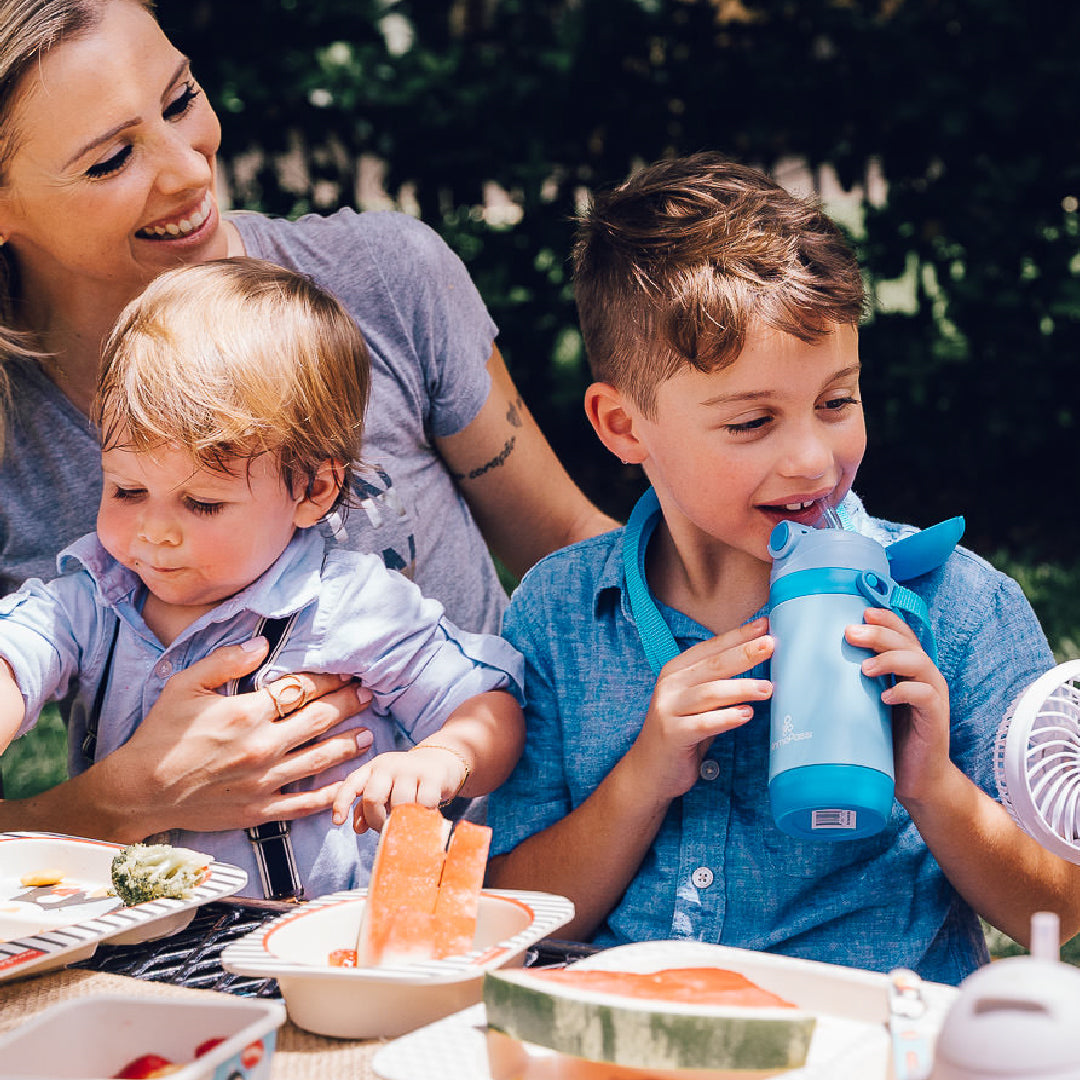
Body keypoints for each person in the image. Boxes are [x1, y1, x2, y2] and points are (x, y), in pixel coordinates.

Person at [0, 0, 614, 837]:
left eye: (180, 101)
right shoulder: (25, 461)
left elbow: (577, 557)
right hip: (177, 937)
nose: (187, 171)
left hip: (494, 877)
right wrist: (118, 803)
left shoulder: (384, 279)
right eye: (111, 159)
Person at [485, 152, 1080, 985]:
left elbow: (1057, 911)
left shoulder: (958, 606)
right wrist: (644, 776)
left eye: (837, 402)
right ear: (623, 426)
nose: (812, 459)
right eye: (753, 421)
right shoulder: (560, 613)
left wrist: (934, 787)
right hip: (635, 1046)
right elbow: (511, 918)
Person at [0, 257, 525, 897]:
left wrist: (443, 758)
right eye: (127, 489)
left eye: (202, 504)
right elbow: (21, 649)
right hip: (134, 935)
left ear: (312, 489)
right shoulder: (97, 592)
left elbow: (485, 704)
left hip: (313, 940)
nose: (153, 533)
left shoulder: (349, 603)